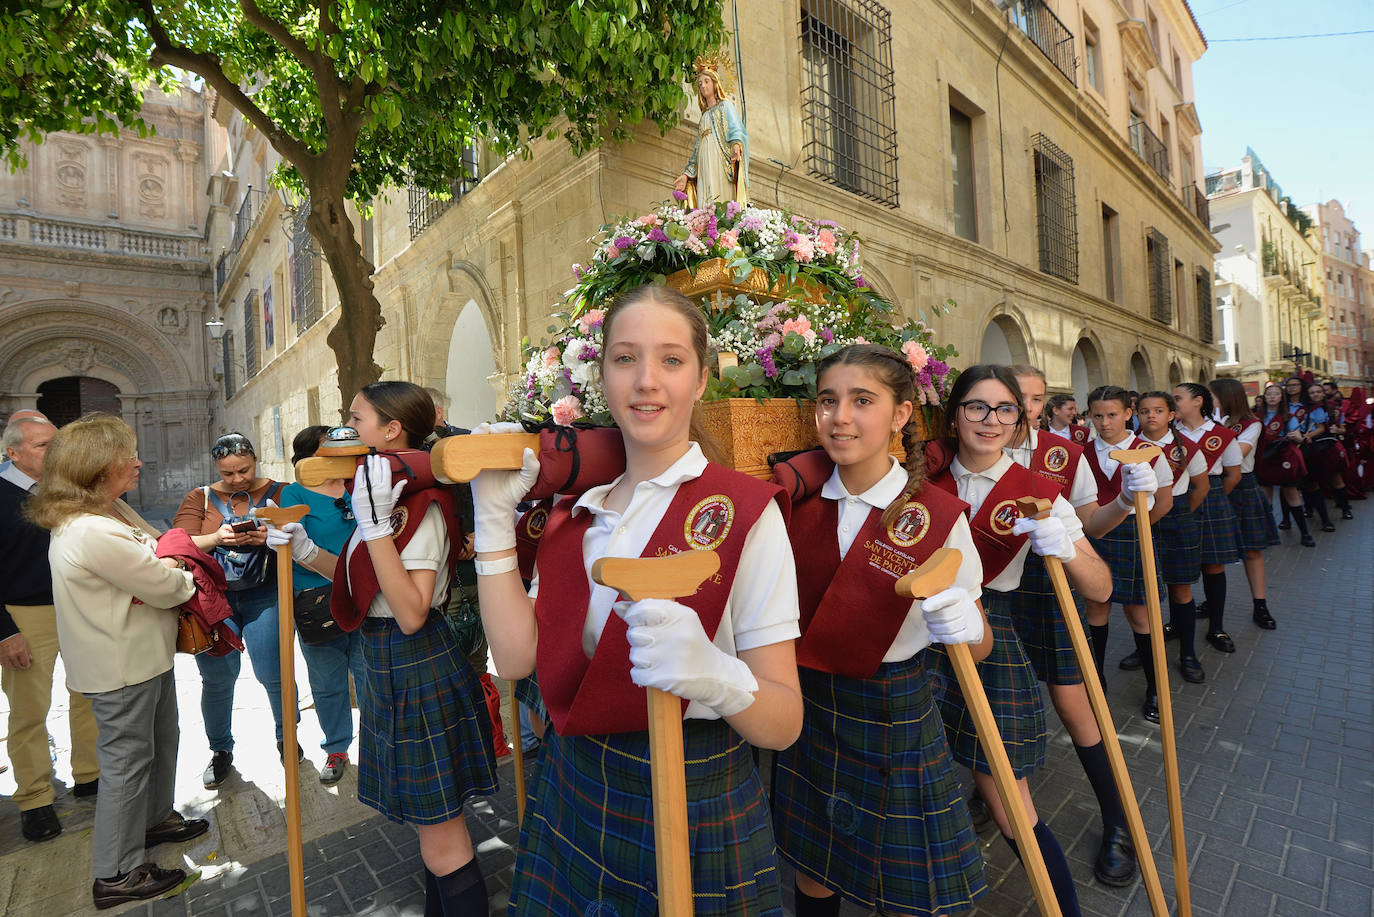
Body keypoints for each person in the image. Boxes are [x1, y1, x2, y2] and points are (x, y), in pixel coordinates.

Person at [473, 285, 802, 915]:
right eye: (625, 358)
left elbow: (784, 724)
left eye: (671, 360)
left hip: (696, 790)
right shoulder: (576, 514)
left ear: (701, 381)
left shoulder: (746, 512)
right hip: (575, 784)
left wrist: (716, 676)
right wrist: (491, 522)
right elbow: (515, 660)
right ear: (602, 376)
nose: (646, 380)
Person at [772, 344, 990, 917]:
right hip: (810, 705)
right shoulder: (791, 507)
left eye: (863, 401)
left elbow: (981, 644)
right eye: (828, 400)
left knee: (911, 889)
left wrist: (965, 623)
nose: (840, 417)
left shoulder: (936, 515)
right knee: (816, 870)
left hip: (894, 711)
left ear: (901, 415)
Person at [271, 381, 498, 915]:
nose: (345, 426)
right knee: (431, 828)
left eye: (357, 418)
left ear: (392, 429)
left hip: (413, 657)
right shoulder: (382, 495)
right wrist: (306, 551)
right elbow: (367, 583)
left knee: (441, 835)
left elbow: (411, 610)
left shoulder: (420, 502)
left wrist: (373, 529)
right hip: (387, 656)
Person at [926, 364, 1114, 917]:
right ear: (954, 415)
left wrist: (1066, 547)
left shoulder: (1037, 493)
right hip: (915, 634)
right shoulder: (919, 475)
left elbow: (1101, 586)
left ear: (1019, 421)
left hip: (989, 632)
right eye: (976, 407)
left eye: (1004, 409)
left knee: (1008, 800)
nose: (990, 420)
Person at [28, 414, 206, 909]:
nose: (138, 462)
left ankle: (154, 821)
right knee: (127, 767)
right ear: (98, 467)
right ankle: (116, 873)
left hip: (144, 657)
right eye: (128, 456)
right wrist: (181, 572)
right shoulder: (90, 530)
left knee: (161, 744)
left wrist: (176, 557)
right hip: (121, 667)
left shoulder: (111, 512)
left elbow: (162, 546)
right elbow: (166, 584)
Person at [1005, 366, 1141, 886]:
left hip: (1049, 582)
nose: (1027, 407)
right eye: (1017, 396)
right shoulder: (966, 447)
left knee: (1073, 702)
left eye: (1036, 398)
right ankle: (991, 790)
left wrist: (1124, 501)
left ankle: (1117, 819)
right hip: (988, 588)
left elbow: (1090, 524)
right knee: (993, 701)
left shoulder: (1060, 453)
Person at [1, 414, 101, 842]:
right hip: (25, 616)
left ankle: (90, 776)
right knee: (29, 711)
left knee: (89, 696)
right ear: (13, 453)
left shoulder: (67, 489)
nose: (54, 451)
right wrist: (4, 631)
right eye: (43, 445)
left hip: (78, 607)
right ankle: (35, 799)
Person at [171, 433, 288, 789]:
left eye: (244, 470)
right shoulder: (200, 498)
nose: (238, 479)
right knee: (218, 679)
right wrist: (217, 538)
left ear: (256, 460)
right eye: (228, 473)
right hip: (214, 601)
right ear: (216, 468)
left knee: (275, 673)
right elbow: (178, 544)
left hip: (265, 594)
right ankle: (221, 750)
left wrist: (268, 537)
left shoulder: (281, 492)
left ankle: (287, 738)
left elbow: (300, 535)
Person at [277, 425, 366, 785]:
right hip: (318, 601)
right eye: (328, 448)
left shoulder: (357, 484)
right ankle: (336, 748)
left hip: (365, 594)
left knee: (371, 676)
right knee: (328, 683)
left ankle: (380, 745)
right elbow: (294, 549)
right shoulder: (294, 493)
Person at [1078, 386, 1172, 722]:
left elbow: (1165, 502)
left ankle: (1155, 688)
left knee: (1140, 615)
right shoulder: (1081, 453)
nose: (1105, 423)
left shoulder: (1150, 452)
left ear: (1128, 414)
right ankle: (1096, 684)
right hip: (1093, 535)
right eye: (1097, 415)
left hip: (1134, 534)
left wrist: (1138, 527)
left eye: (1112, 415)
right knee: (1095, 607)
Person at [1124, 391, 1210, 683]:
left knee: (1180, 590)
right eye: (1144, 411)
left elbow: (1201, 486)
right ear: (1136, 414)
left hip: (1176, 518)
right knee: (1142, 592)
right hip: (1138, 517)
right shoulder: (1130, 446)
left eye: (1158, 410)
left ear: (1171, 415)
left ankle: (1188, 653)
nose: (1151, 416)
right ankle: (1145, 648)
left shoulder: (1185, 447)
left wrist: (1180, 513)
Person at [1173, 383, 1243, 654]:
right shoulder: (1170, 432)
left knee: (1213, 567)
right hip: (1177, 495)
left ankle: (1216, 626)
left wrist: (1212, 498)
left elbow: (1233, 475)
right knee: (1176, 567)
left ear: (1197, 401)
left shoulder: (1222, 434)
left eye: (1178, 398)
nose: (1173, 402)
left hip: (1212, 497)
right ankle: (1176, 623)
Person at [1212, 378, 1279, 631]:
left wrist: (1215, 431)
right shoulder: (1207, 422)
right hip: (1214, 484)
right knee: (1214, 551)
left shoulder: (1252, 424)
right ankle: (1212, 600)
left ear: (1226, 397)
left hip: (1243, 485)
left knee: (1252, 550)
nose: (1206, 400)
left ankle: (1260, 604)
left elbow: (1235, 455)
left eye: (1211, 395)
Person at [673, 56, 748, 207]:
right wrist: (686, 175)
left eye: (706, 81)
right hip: (704, 158)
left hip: (719, 156)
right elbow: (696, 149)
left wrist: (736, 144)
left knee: (719, 189)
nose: (703, 86)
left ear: (715, 83)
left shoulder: (725, 106)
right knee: (706, 192)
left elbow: (737, 129)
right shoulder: (704, 116)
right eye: (700, 83)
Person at [1259, 382, 1315, 546]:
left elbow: (1298, 437)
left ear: (1281, 397)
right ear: (1264, 397)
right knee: (1266, 497)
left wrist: (1297, 437)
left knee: (1292, 495)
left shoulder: (1289, 416)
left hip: (1283, 456)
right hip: (1264, 457)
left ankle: (1305, 533)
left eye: (1276, 394)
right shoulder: (1256, 416)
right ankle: (1268, 533)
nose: (1272, 397)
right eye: (1269, 394)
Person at [1302, 382, 1353, 522]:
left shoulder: (1334, 409)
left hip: (1328, 447)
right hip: (1310, 447)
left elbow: (1343, 429)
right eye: (1312, 392)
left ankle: (1345, 509)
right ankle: (1309, 509)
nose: (1315, 395)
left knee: (1336, 479)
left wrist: (1338, 430)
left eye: (1318, 392)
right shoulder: (1303, 409)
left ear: (1323, 393)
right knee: (1310, 481)